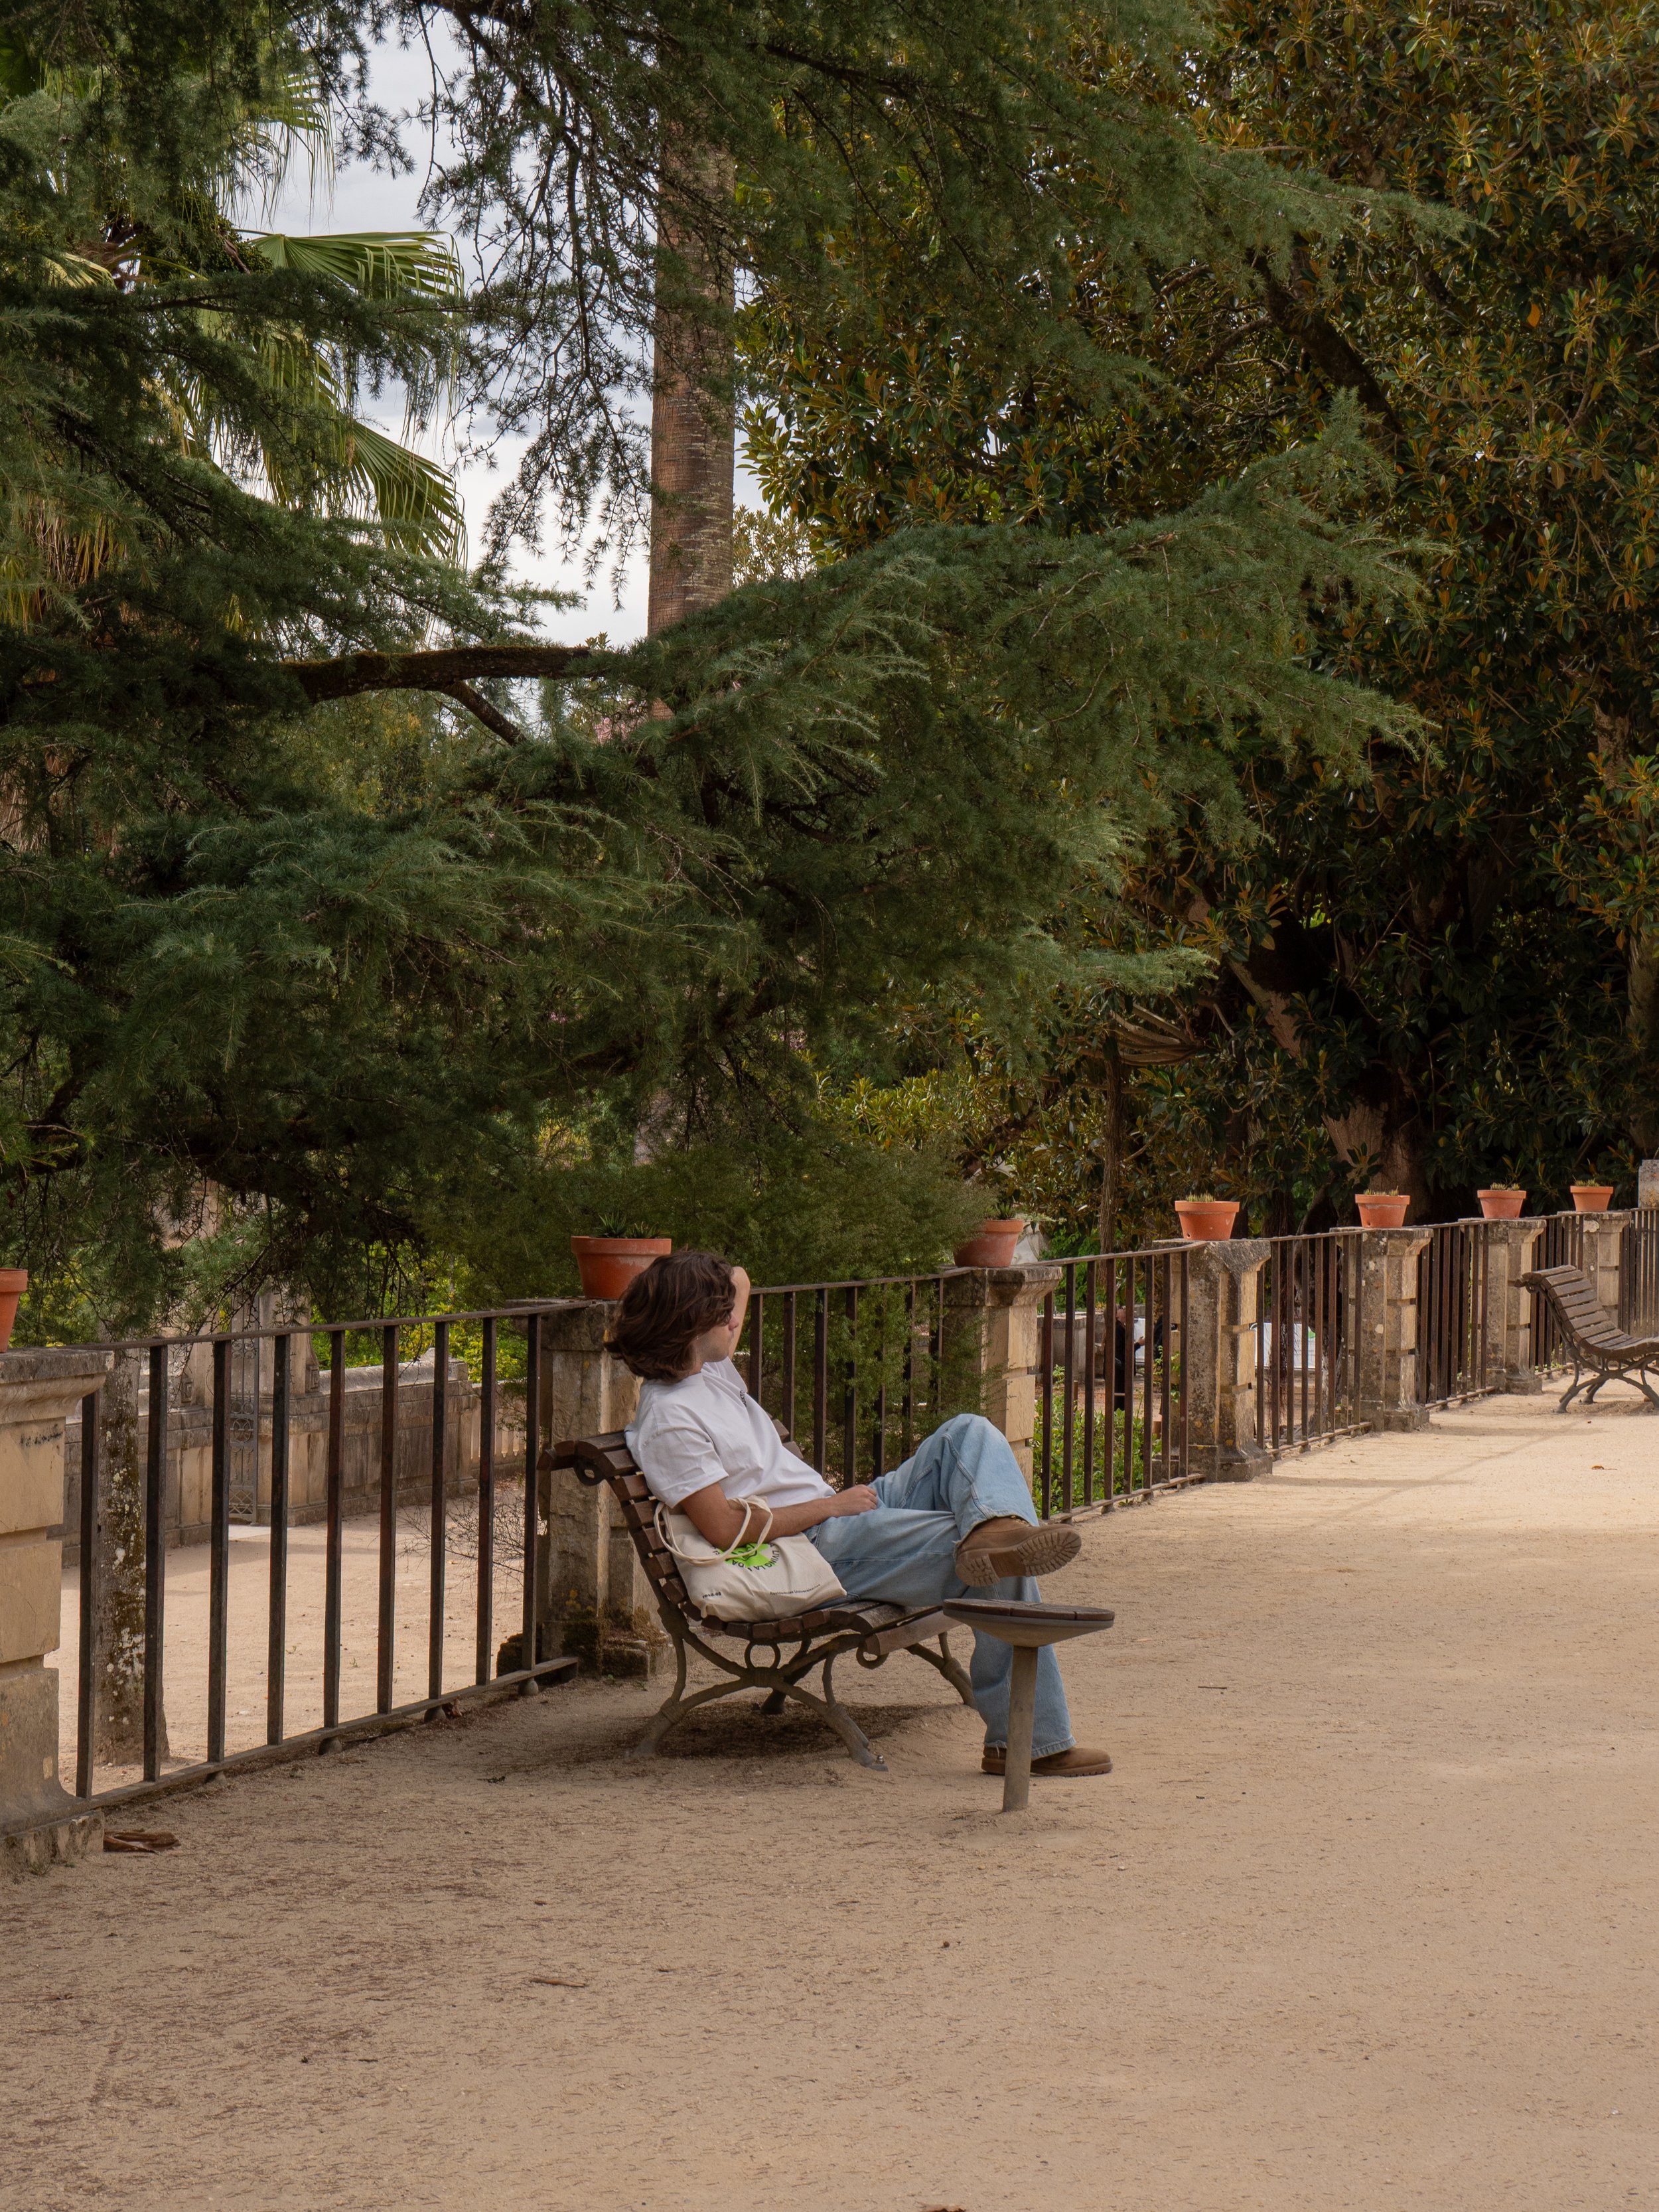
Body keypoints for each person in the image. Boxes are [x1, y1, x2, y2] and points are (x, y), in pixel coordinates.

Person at [609, 1248, 1112, 1779]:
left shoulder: (706, 1372)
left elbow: (740, 1277)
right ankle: (1029, 1742)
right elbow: (724, 1528)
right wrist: (830, 1504)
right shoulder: (671, 1418)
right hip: (817, 1545)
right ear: (690, 1322)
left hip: (844, 1519)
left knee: (970, 1433)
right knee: (988, 1556)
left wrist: (697, 1278)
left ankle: (993, 1530)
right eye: (719, 1310)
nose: (735, 1315)